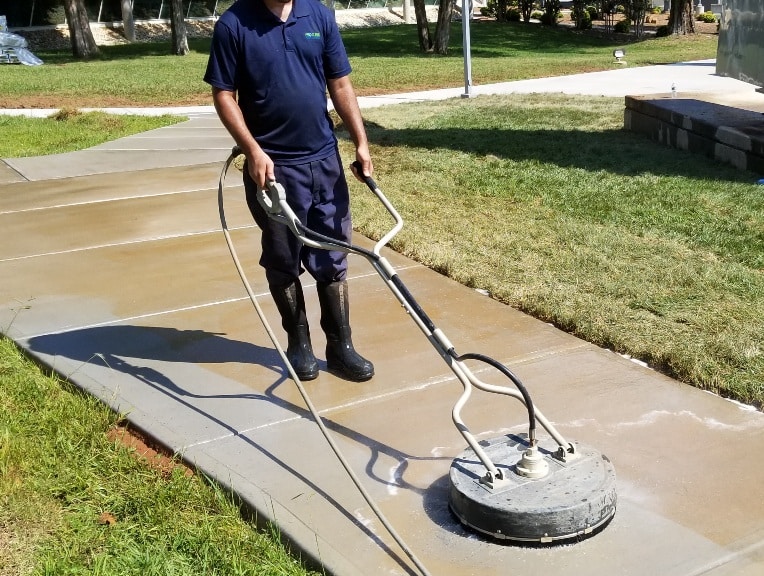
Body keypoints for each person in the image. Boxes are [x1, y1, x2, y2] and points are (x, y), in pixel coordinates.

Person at [204, 0, 374, 382]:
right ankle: (299, 342)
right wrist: (252, 150)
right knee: (283, 256)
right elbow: (223, 94)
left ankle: (340, 345)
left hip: (324, 160)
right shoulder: (234, 24)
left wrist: (360, 142)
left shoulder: (319, 16)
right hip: (274, 168)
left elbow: (340, 82)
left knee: (333, 253)